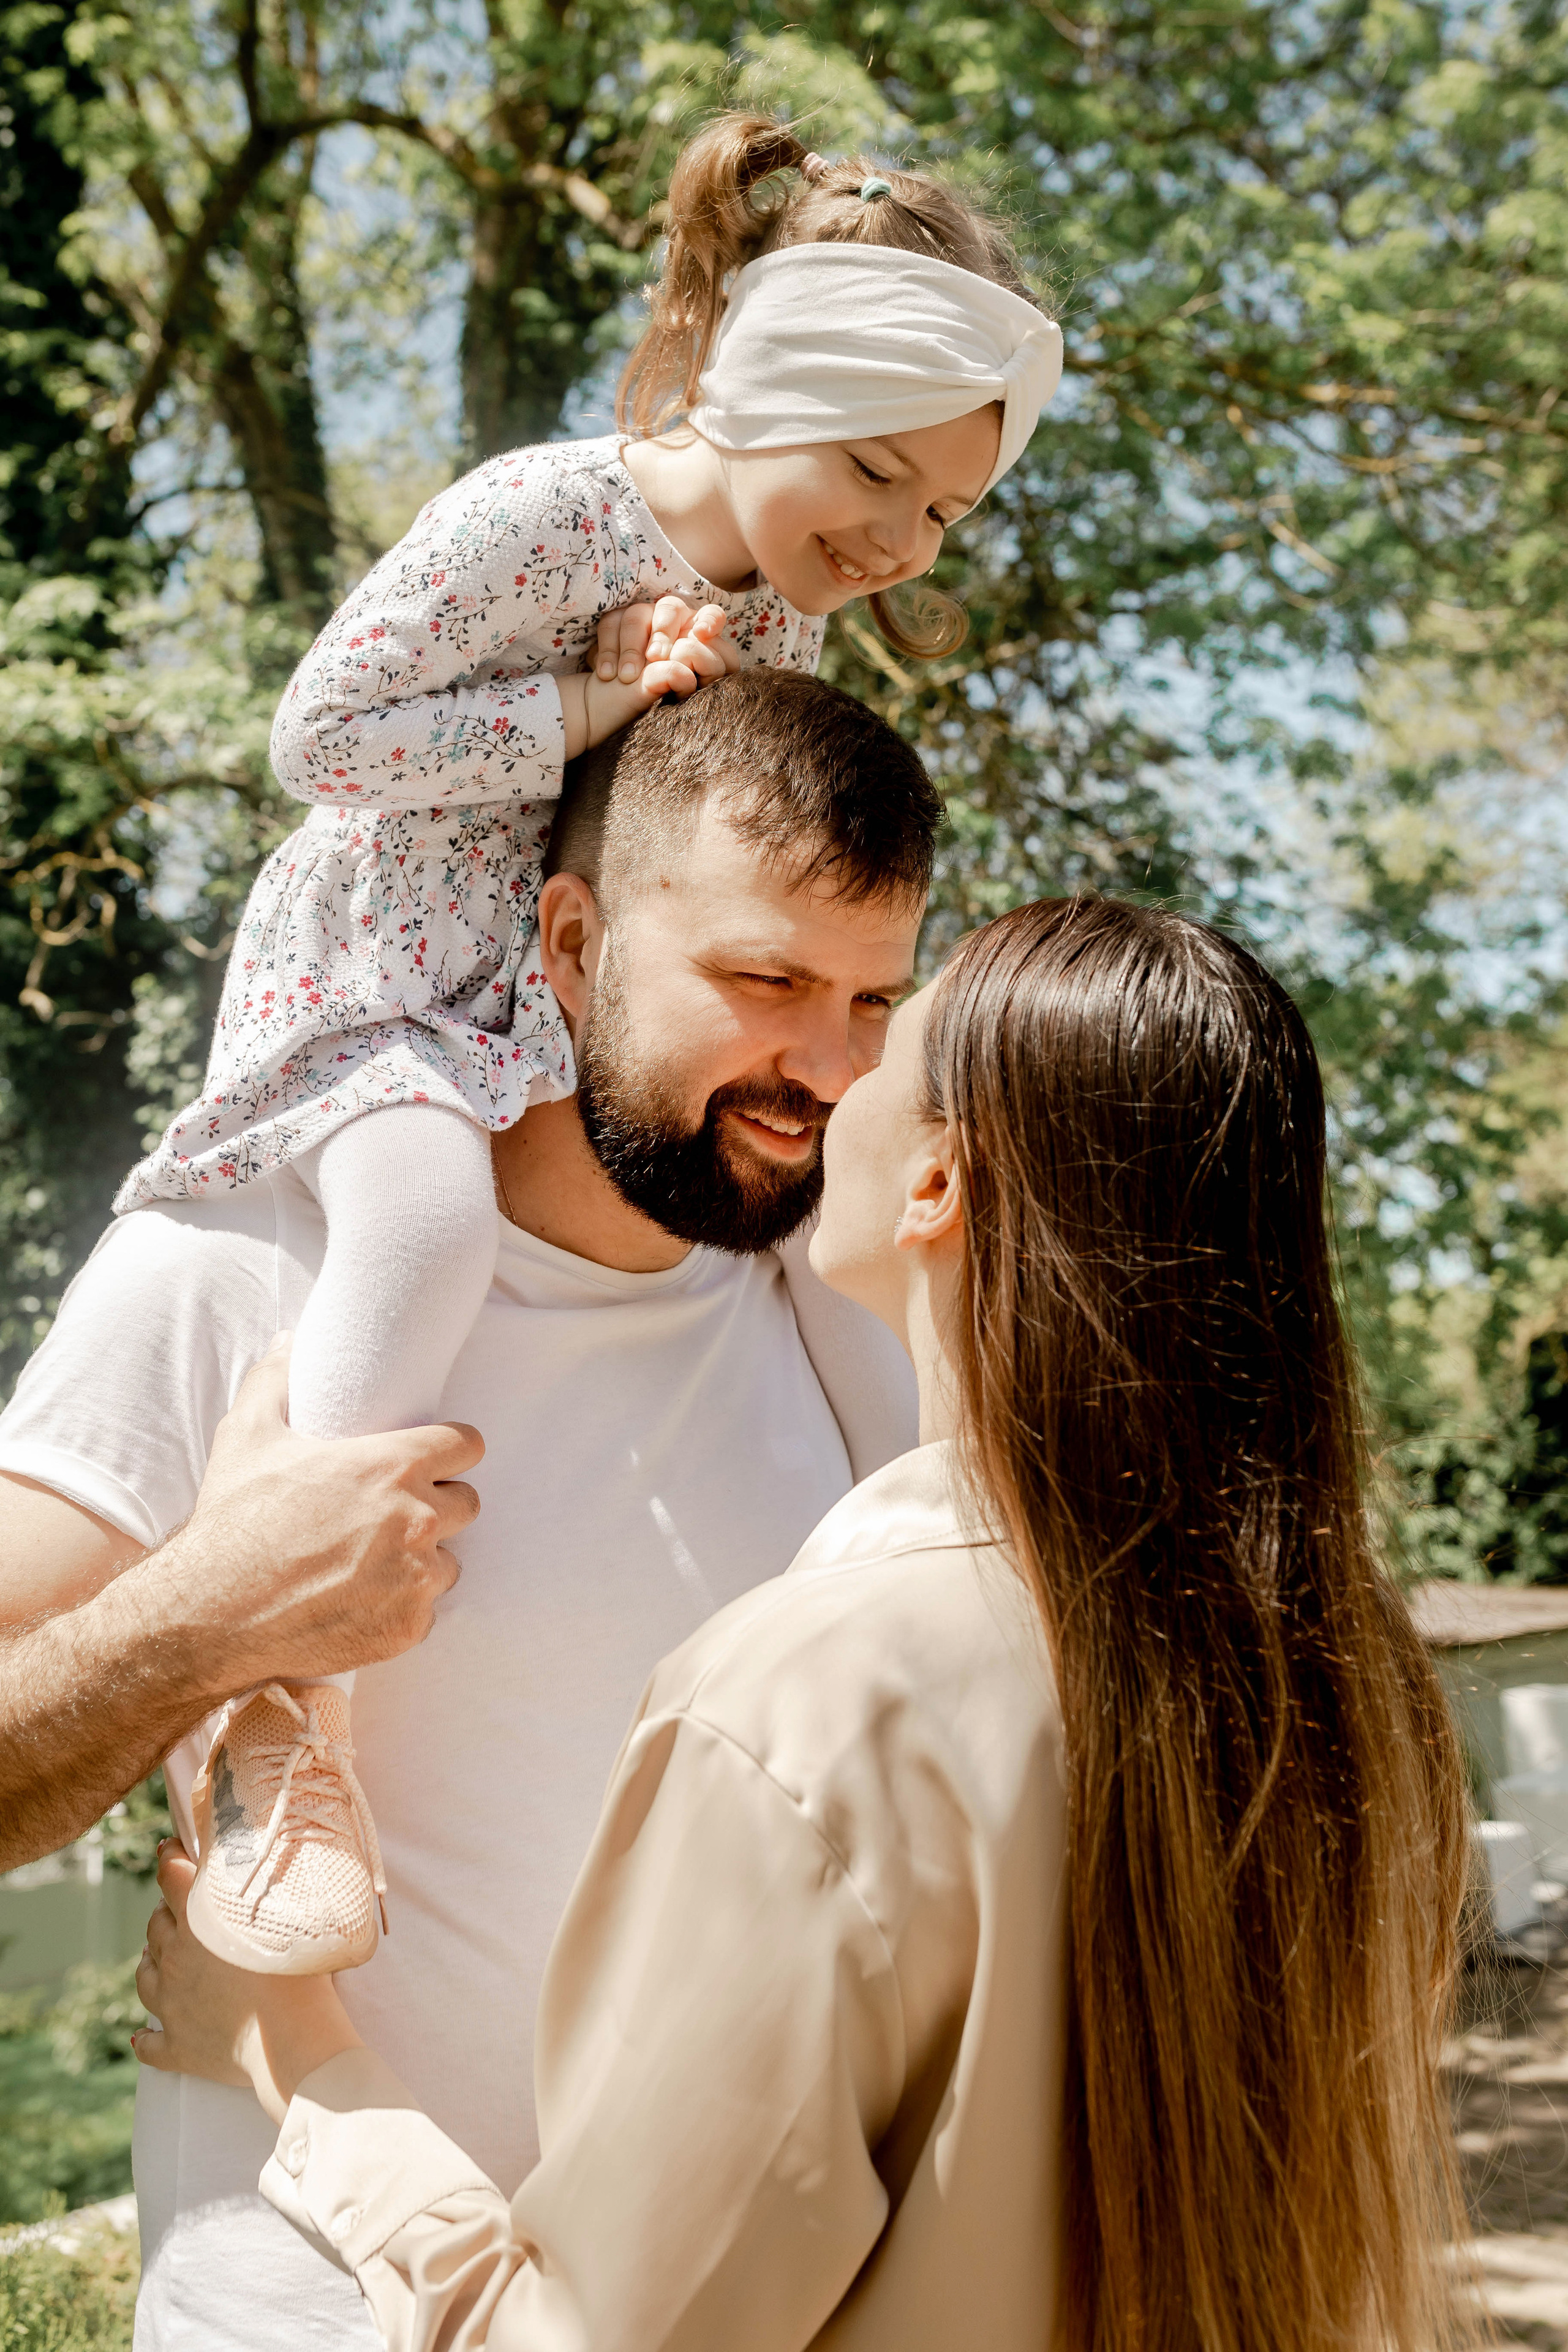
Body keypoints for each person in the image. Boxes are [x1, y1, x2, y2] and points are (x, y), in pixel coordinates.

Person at [138, 894, 1476, 2352]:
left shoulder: (810, 1705)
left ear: (933, 1189)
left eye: (884, 1033)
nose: (829, 1072)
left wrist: (296, 2057)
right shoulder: (1356, 1685)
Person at [105, 113, 1065, 1978]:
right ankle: (286, 1703)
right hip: (386, 977)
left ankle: (972, 1625)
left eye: (942, 511)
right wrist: (587, 699)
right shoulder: (545, 513)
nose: (896, 537)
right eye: (873, 471)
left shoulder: (783, 617)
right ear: (752, 384)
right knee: (423, 1232)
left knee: (824, 1234)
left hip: (543, 997)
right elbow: (323, 741)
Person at [0, 671, 932, 2352]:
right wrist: (212, 1612)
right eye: (764, 980)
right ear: (565, 944)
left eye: (874, 1002)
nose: (828, 1067)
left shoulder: (849, 1322)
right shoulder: (242, 1267)